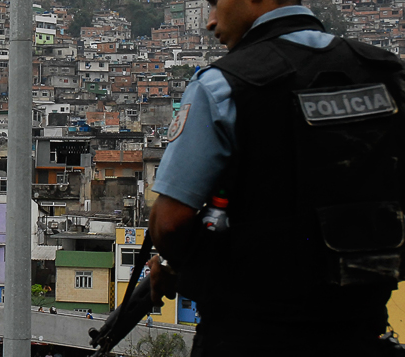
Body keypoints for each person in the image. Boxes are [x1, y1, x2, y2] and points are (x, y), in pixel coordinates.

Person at [145, 0, 405, 355]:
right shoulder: (386, 73)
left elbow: (170, 223)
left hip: (249, 334)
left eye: (216, 3)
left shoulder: (223, 85)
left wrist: (182, 267)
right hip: (361, 332)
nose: (211, 21)